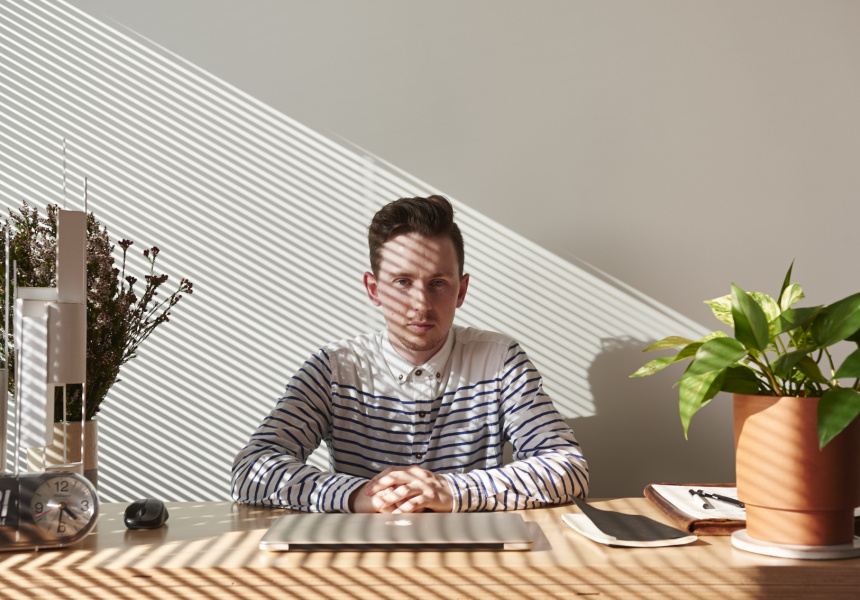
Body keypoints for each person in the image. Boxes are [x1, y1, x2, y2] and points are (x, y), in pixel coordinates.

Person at [231, 195, 588, 513]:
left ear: (461, 291)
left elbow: (568, 467)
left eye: (438, 283)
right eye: (403, 282)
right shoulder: (334, 368)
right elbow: (252, 469)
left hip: (473, 557)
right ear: (374, 290)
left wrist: (449, 490)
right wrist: (358, 495)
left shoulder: (500, 360)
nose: (420, 304)